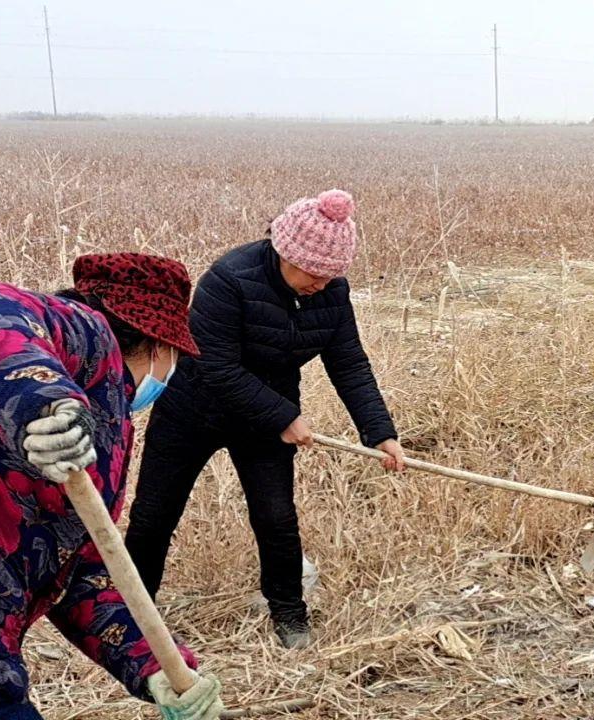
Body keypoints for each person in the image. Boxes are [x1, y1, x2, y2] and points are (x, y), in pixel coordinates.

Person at [0, 255, 223, 719]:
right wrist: (41, 403)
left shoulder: (113, 424)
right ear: (159, 345)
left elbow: (86, 569)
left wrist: (160, 668)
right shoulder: (90, 342)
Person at [126, 189, 404, 650]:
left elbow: (349, 363)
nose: (321, 283)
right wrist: (284, 416)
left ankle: (290, 614)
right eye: (313, 273)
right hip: (194, 409)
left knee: (276, 518)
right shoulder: (229, 279)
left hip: (265, 417)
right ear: (284, 253)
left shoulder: (331, 291)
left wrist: (380, 432)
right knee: (154, 516)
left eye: (331, 274)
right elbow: (216, 366)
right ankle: (132, 617)